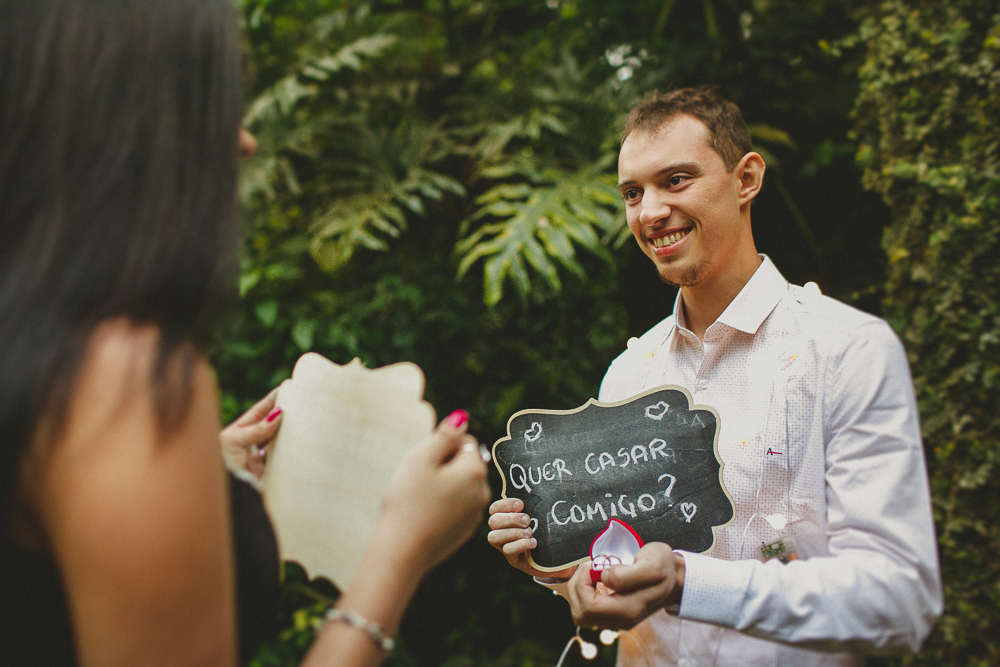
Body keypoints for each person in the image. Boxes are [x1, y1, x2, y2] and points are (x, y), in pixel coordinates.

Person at [0, 1, 490, 666]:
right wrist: (401, 548)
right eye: (209, 104)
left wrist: (207, 470)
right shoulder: (124, 383)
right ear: (129, 127)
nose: (244, 142)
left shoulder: (39, 349)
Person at [487, 88, 943, 665]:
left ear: (746, 178)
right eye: (633, 192)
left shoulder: (847, 349)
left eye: (675, 180)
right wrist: (558, 563)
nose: (650, 211)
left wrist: (686, 581)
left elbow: (899, 599)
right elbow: (616, 571)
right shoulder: (627, 376)